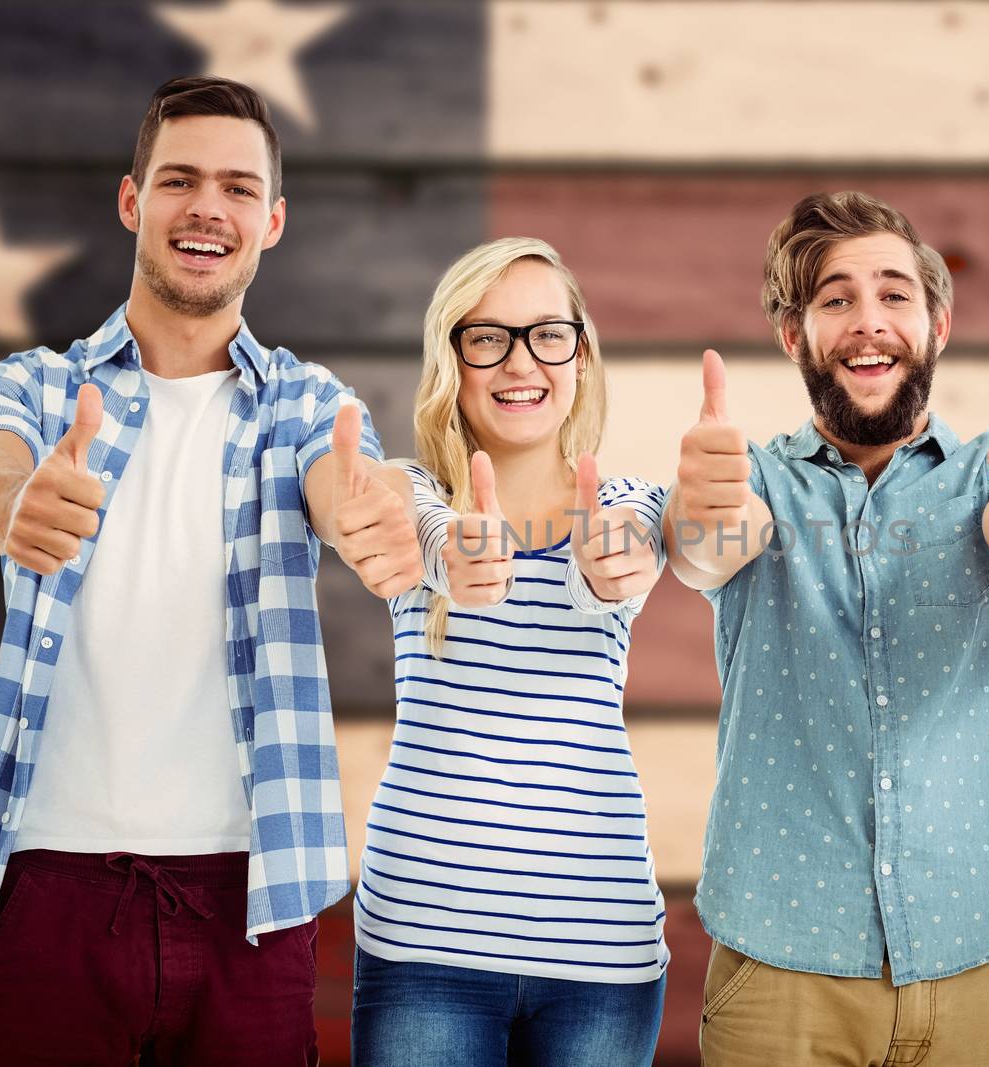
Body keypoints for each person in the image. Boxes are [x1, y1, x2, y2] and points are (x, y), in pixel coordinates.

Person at [0, 75, 419, 1066]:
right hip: (42, 889)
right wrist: (10, 505)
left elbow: (344, 480)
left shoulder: (305, 403)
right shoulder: (33, 384)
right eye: (181, 180)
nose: (209, 206)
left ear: (272, 221)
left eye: (239, 188)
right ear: (132, 201)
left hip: (253, 897)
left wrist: (370, 515)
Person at [664, 191, 989, 1067]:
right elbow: (707, 548)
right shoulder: (751, 482)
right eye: (836, 298)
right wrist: (703, 514)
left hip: (973, 961)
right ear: (795, 335)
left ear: (937, 323)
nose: (870, 322)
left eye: (895, 295)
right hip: (783, 972)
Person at [350, 237, 669, 1067]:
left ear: (582, 357)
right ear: (451, 359)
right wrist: (447, 551)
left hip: (600, 954)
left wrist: (614, 566)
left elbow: (647, 552)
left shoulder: (629, 506)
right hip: (424, 948)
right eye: (487, 336)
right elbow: (397, 509)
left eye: (547, 333)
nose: (519, 359)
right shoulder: (409, 494)